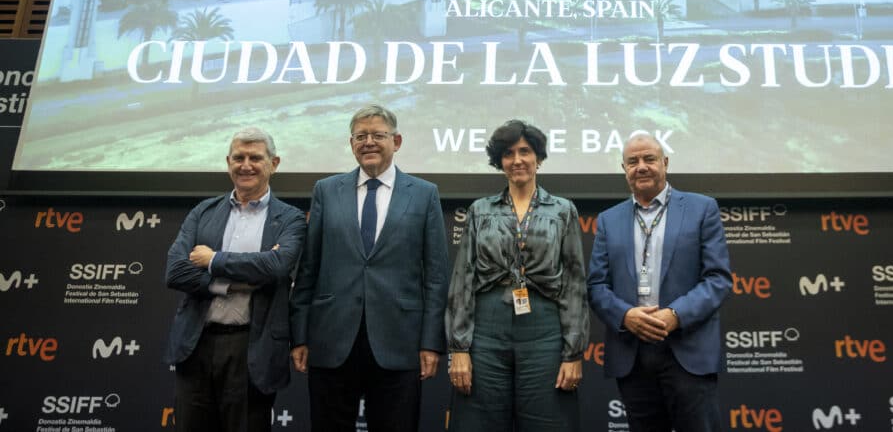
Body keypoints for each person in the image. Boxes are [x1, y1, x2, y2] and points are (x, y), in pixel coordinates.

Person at [289, 104, 449, 432]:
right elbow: (309, 267)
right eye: (361, 136)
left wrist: (431, 342)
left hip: (399, 339)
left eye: (378, 135)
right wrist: (300, 334)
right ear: (351, 144)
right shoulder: (326, 190)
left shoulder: (424, 194)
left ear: (397, 141)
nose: (369, 142)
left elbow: (435, 276)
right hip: (331, 337)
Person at [446, 119, 588, 431]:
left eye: (525, 151)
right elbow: (463, 281)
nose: (517, 160)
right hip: (486, 332)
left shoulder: (563, 210)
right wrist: (459, 349)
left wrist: (573, 353)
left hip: (545, 333)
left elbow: (574, 285)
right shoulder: (480, 210)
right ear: (500, 162)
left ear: (538, 157)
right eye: (508, 154)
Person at [163, 127, 306, 432]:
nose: (246, 165)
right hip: (196, 345)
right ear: (228, 161)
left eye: (255, 157)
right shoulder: (204, 211)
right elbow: (175, 270)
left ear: (274, 163)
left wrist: (213, 260)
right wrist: (228, 284)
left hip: (251, 348)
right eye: (238, 157)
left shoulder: (290, 218)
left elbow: (277, 267)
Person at [587, 133, 732, 432]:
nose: (641, 167)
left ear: (665, 163)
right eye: (632, 161)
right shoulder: (608, 219)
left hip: (687, 350)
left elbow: (718, 278)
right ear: (624, 168)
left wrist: (674, 316)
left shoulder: (701, 208)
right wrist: (626, 316)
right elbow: (597, 286)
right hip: (633, 355)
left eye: (649, 159)